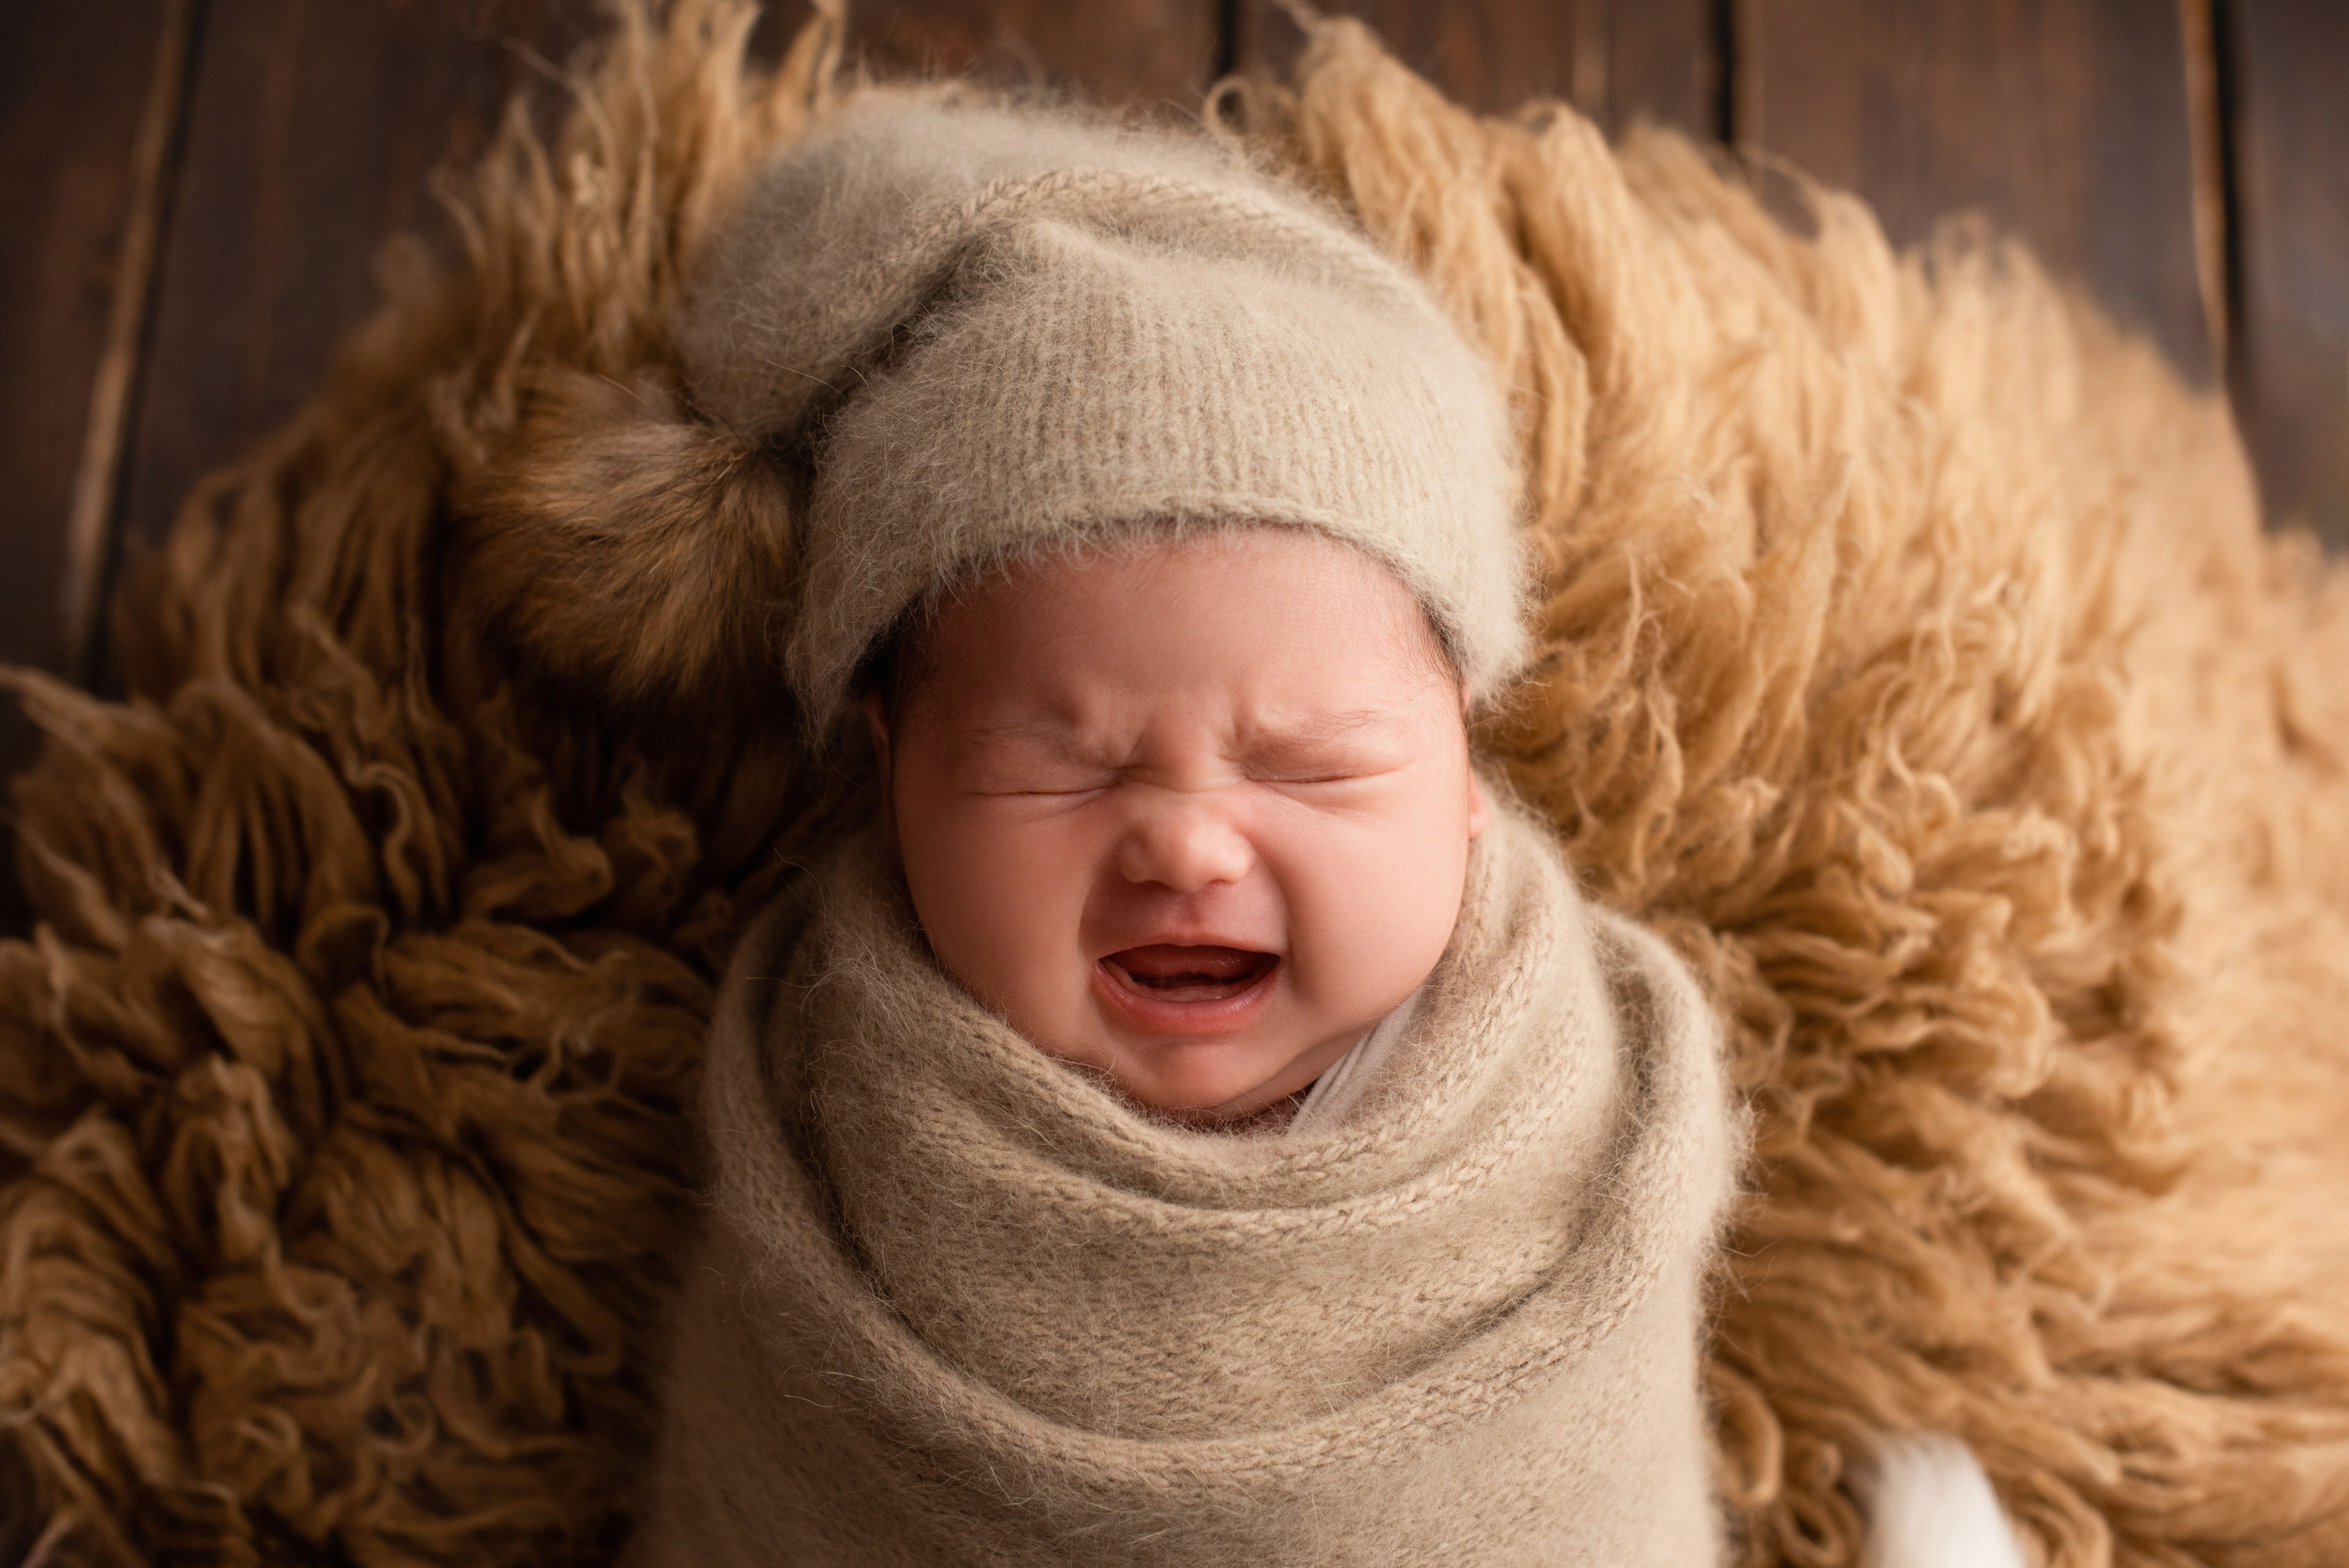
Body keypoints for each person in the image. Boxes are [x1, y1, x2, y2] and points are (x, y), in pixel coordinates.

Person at [632, 95, 2009, 1567]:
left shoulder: (1558, 1120)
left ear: (1466, 774)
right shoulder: (834, 1130)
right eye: (1061, 767)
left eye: (1308, 766)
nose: (1188, 849)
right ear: (891, 770)